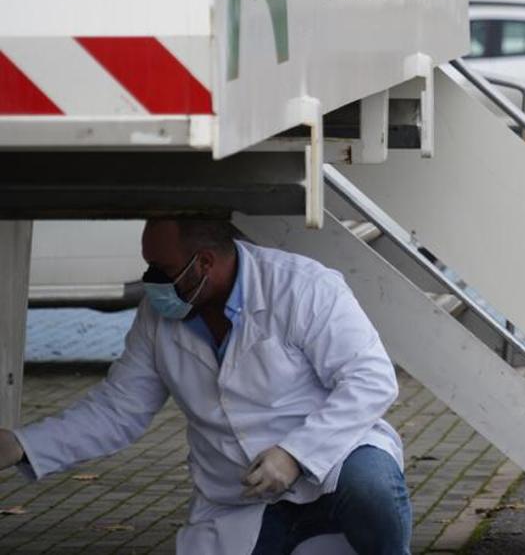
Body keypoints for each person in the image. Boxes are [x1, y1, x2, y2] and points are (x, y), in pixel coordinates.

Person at [0, 219, 410, 554]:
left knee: (370, 492)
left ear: (205, 263)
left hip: (333, 464)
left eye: (161, 269)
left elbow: (370, 378)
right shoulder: (156, 318)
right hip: (239, 497)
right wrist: (23, 445)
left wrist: (295, 454)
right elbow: (116, 411)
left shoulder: (301, 286)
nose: (151, 281)